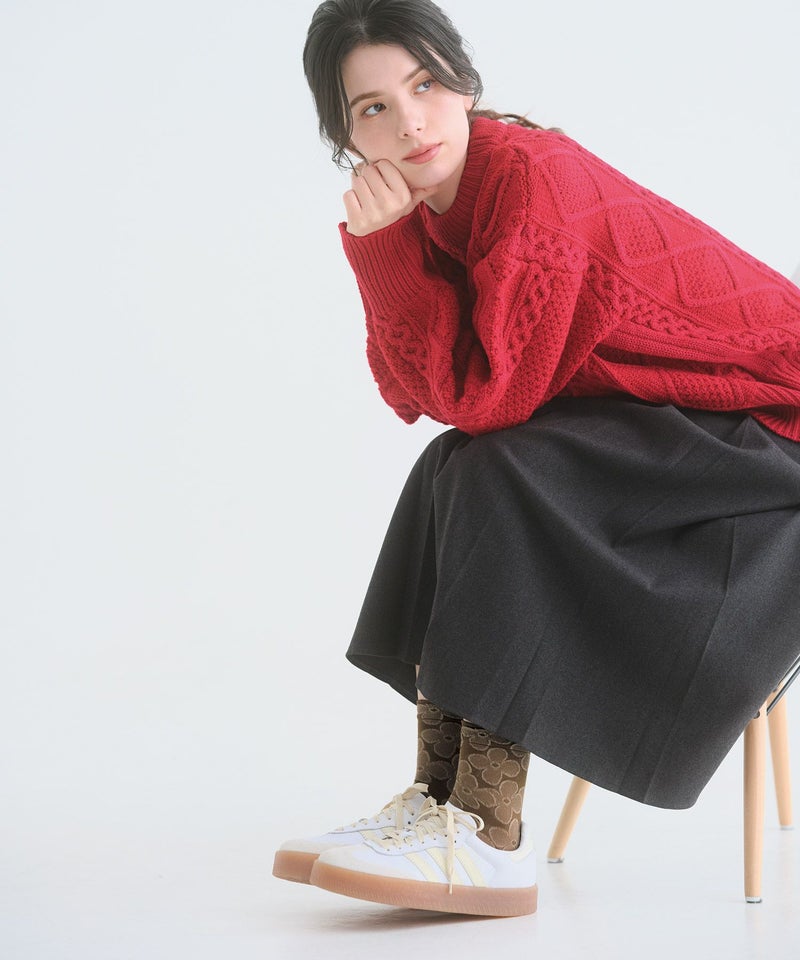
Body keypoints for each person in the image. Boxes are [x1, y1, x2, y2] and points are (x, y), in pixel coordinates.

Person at [273, 0, 800, 917]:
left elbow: (488, 399)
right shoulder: (431, 208)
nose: (411, 123)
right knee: (455, 465)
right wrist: (387, 251)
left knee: (496, 464)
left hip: (775, 419)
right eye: (374, 109)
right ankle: (440, 800)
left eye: (425, 86)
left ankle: (488, 831)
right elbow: (414, 392)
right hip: (689, 416)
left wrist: (381, 253)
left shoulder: (526, 179)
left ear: (464, 82)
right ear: (345, 136)